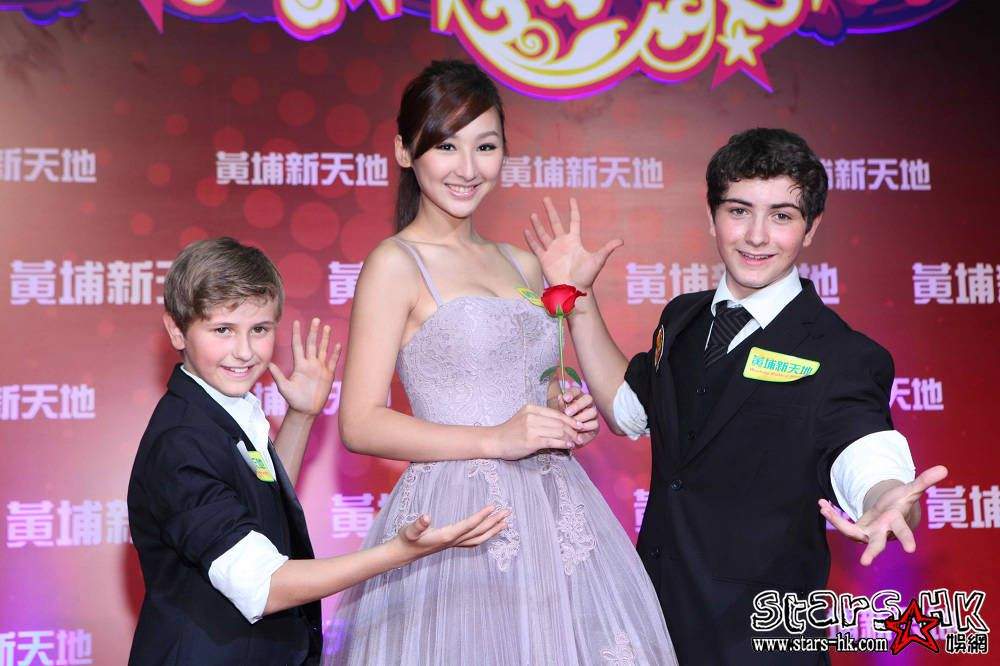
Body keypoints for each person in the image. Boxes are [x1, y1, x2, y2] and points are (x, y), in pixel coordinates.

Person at [524, 128, 949, 664]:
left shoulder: (842, 354)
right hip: (655, 624)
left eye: (782, 216)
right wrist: (578, 298)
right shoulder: (683, 318)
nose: (756, 236)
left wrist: (884, 499)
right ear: (712, 217)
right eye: (739, 211)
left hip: (762, 642)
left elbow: (863, 448)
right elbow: (627, 410)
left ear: (811, 227)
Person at [325, 61, 677, 665]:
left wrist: (562, 410)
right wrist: (495, 439)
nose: (468, 168)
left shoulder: (526, 263)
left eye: (485, 147)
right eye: (447, 146)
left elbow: (538, 380)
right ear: (405, 152)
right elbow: (359, 423)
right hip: (457, 517)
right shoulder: (396, 263)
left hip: (555, 510)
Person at [127, 237, 508, 665]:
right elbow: (264, 585)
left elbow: (260, 512)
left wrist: (301, 416)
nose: (244, 351)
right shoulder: (182, 440)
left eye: (259, 329)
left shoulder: (220, 411)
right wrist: (398, 553)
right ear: (176, 330)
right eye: (222, 330)